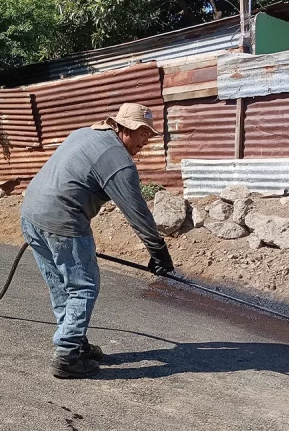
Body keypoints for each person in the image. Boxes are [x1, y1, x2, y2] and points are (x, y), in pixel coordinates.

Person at [20, 103, 174, 379]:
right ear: (126, 128)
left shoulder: (85, 133)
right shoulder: (119, 161)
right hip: (62, 223)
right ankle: (67, 356)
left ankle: (74, 341)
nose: (145, 141)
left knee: (60, 284)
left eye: (149, 135)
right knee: (83, 287)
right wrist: (159, 252)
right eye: (143, 133)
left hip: (31, 214)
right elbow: (136, 211)